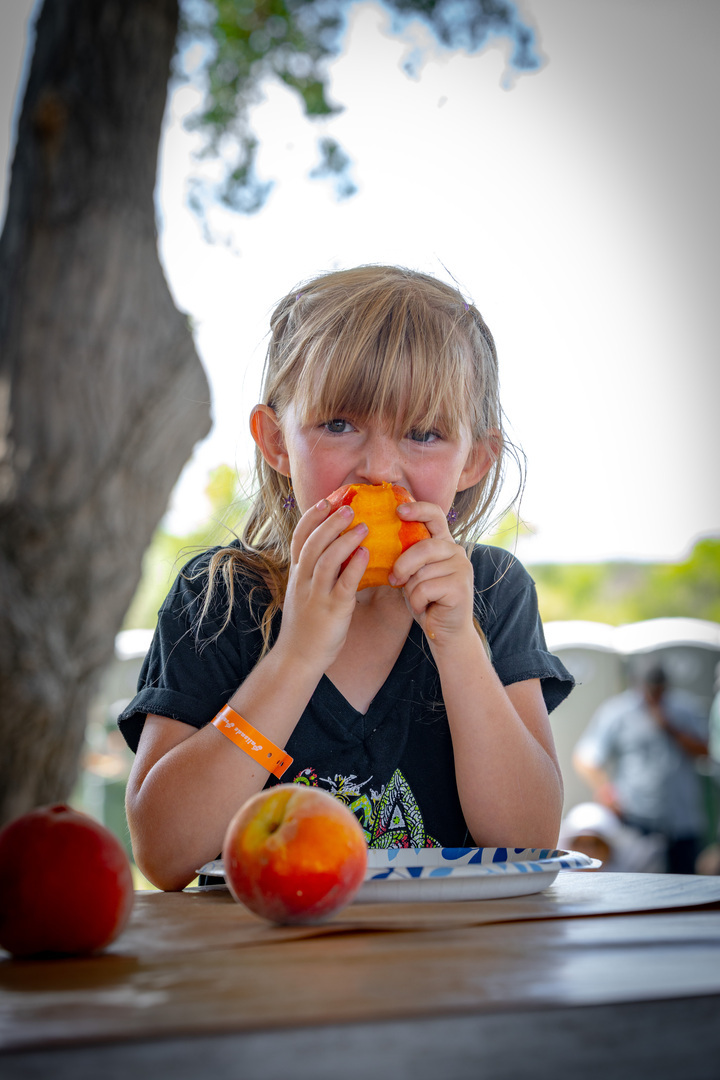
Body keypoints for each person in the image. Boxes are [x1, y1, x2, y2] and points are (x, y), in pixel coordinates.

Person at [119, 265, 574, 891]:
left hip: (457, 968)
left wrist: (457, 642)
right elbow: (165, 853)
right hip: (264, 971)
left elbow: (527, 841)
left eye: (424, 433)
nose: (380, 468)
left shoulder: (492, 592)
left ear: (473, 460)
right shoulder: (218, 597)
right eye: (339, 425)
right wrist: (298, 653)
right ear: (277, 442)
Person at [573, 665, 709, 874]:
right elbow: (586, 757)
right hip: (637, 820)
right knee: (639, 888)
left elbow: (706, 750)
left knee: (687, 889)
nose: (655, 694)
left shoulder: (685, 709)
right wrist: (606, 790)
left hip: (682, 821)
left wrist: (670, 727)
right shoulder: (618, 711)